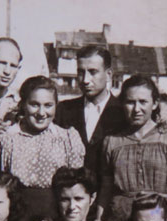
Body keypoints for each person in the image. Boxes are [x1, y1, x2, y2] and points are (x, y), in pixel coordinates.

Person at [94, 75, 167, 221]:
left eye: (143, 102)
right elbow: (106, 188)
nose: (136, 109)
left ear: (154, 104)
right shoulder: (112, 141)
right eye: (130, 102)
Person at [0, 76, 85, 221]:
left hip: (57, 218)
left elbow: (76, 187)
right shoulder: (8, 138)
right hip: (17, 217)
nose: (41, 112)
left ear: (56, 106)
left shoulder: (67, 138)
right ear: (23, 104)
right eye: (34, 104)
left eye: (48, 105)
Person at [54, 45, 126, 180]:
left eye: (93, 72)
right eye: (80, 72)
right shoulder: (63, 110)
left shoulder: (124, 113)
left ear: (108, 74)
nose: (85, 80)